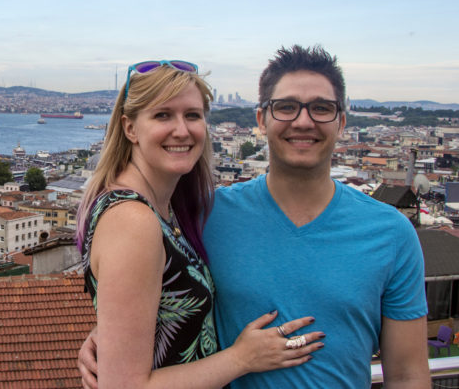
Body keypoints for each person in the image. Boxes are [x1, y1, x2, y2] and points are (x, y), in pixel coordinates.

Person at [78, 46, 430, 388]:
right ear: (261, 119)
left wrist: (113, 335)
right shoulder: (205, 215)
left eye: (321, 108)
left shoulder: (392, 235)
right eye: (286, 107)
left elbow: (408, 376)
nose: (303, 121)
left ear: (341, 121)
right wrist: (114, 335)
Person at [76, 60, 324, 389]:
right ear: (130, 128)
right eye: (163, 115)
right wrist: (242, 359)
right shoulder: (133, 220)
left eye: (192, 115)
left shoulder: (163, 210)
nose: (182, 130)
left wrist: (114, 332)